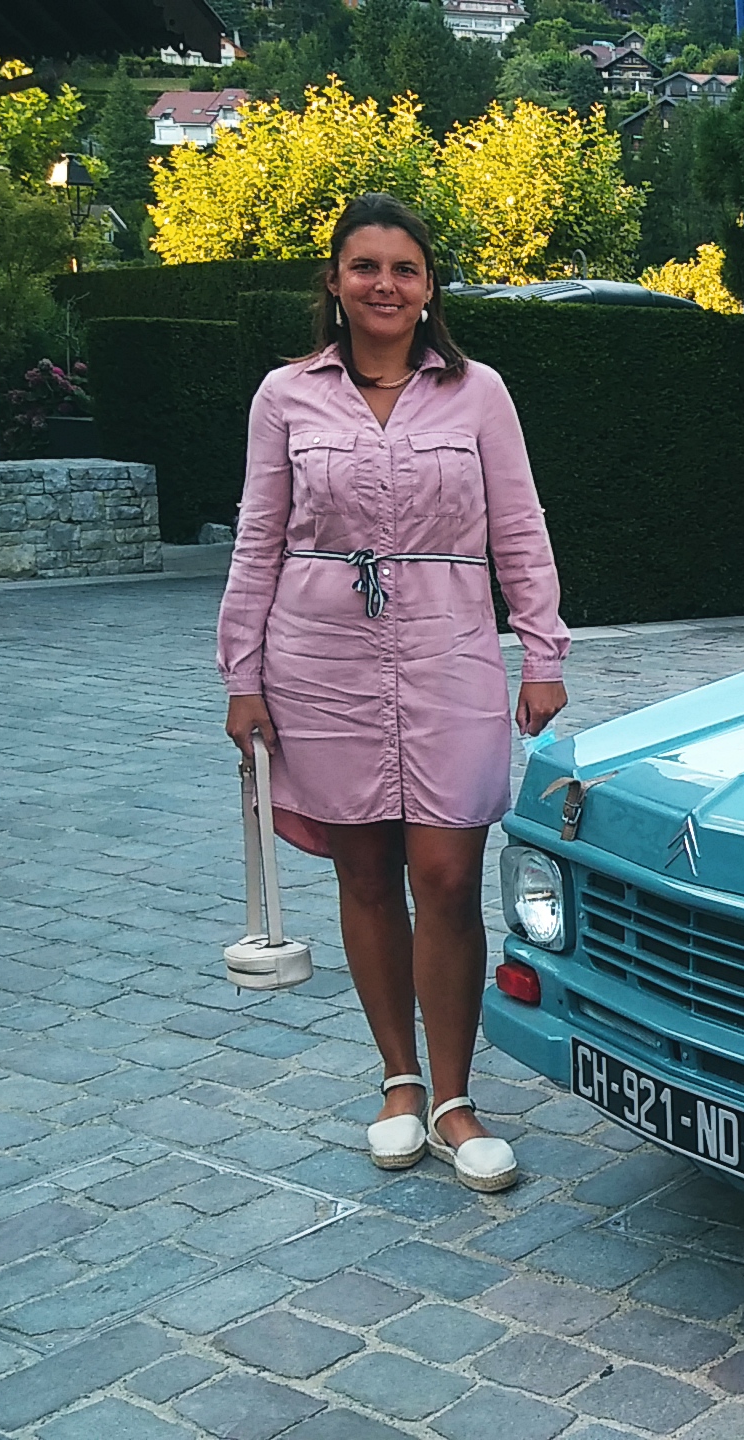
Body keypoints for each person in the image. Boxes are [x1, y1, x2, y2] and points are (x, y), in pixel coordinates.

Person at [217, 193, 569, 1194]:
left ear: (428, 288)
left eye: (404, 268)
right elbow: (257, 538)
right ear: (334, 282)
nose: (384, 284)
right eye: (364, 266)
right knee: (364, 872)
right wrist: (242, 675)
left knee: (449, 874)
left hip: (450, 651)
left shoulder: (479, 393)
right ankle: (399, 1081)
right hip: (318, 658)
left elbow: (521, 527)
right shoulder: (285, 395)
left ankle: (455, 1100)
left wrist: (542, 650)